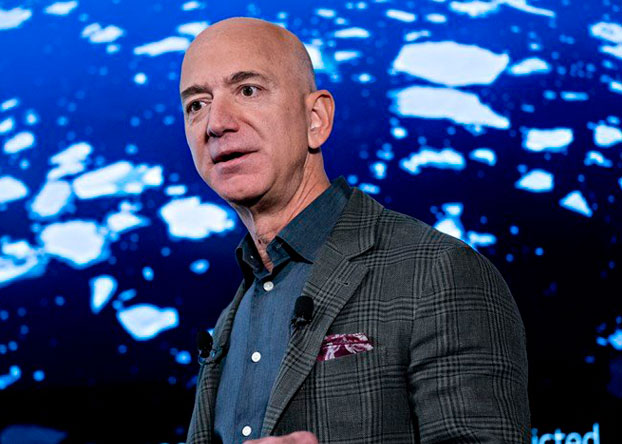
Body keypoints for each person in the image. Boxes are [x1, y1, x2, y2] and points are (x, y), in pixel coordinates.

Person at [180, 17, 530, 444]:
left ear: (316, 119)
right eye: (196, 105)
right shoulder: (232, 318)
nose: (216, 122)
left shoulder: (438, 273)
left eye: (248, 90)